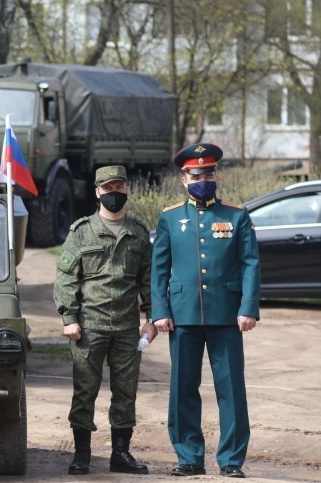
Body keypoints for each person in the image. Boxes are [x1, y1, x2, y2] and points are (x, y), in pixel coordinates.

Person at [151, 143, 260, 479]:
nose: (203, 179)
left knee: (231, 390)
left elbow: (250, 263)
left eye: (208, 173)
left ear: (217, 175)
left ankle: (231, 459)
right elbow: (159, 269)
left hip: (227, 316)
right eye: (196, 174)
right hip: (182, 316)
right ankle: (189, 456)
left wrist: (248, 307)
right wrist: (159, 310)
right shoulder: (170, 217)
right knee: (183, 388)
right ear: (184, 179)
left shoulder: (236, 215)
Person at [53, 165, 156, 476]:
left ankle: (120, 454)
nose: (114, 194)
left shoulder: (138, 233)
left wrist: (152, 317)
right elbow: (66, 277)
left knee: (126, 392)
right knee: (85, 390)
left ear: (127, 190)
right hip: (89, 326)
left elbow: (148, 280)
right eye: (108, 188)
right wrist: (69, 317)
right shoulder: (81, 231)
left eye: (120, 188)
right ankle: (82, 454)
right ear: (97, 192)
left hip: (127, 328)